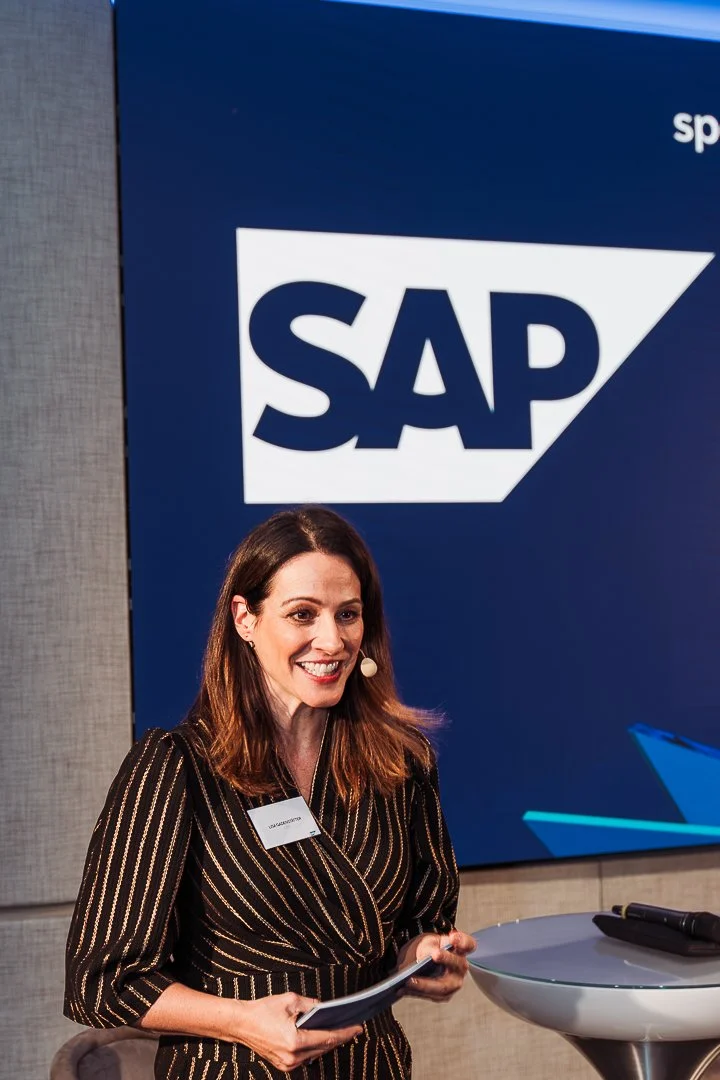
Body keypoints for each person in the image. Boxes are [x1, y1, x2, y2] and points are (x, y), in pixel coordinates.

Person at [65, 506, 475, 1079]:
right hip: (230, 1067)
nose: (331, 640)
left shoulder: (403, 764)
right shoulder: (175, 767)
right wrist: (242, 1020)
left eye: (348, 615)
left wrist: (424, 959)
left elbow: (412, 933)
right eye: (302, 614)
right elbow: (101, 984)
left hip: (372, 1066)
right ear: (245, 618)